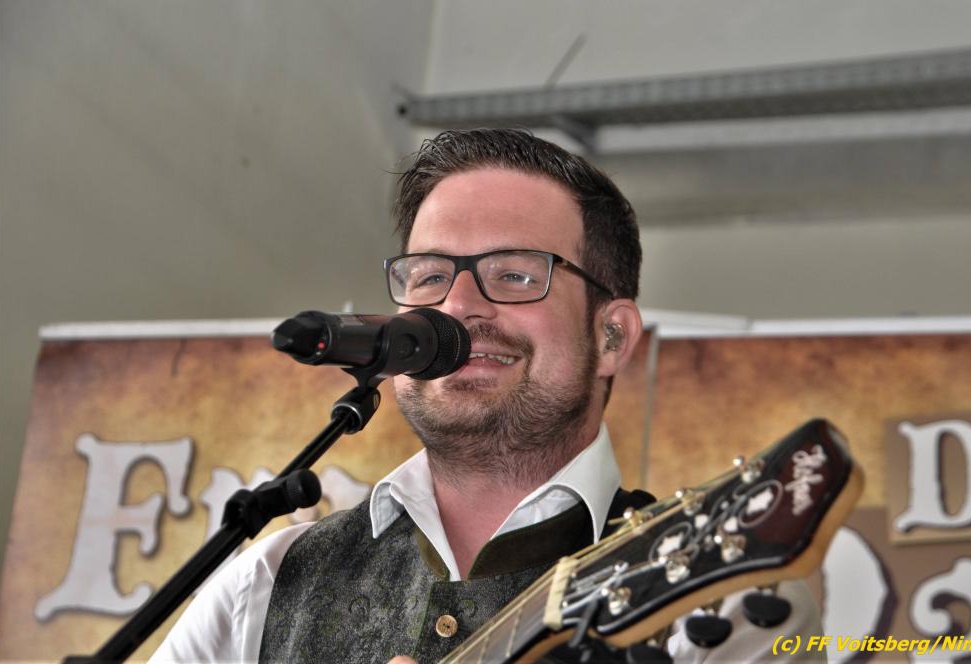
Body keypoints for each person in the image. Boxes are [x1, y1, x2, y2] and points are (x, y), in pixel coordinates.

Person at [151, 129, 822, 663]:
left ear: (612, 335)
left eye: (515, 274)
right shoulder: (269, 582)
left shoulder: (726, 592)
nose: (457, 306)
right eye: (430, 275)